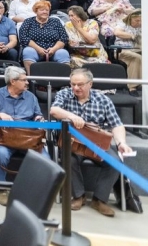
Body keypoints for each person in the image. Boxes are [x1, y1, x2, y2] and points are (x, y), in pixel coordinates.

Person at [50, 68, 133, 217]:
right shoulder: (64, 94)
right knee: (69, 159)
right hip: (74, 142)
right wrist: (71, 116)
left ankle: (99, 199)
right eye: (73, 84)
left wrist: (121, 143)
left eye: (80, 84)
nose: (76, 88)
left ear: (90, 84)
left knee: (114, 162)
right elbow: (54, 110)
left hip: (96, 143)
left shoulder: (103, 100)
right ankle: (78, 196)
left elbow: (117, 124)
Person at [0, 66, 48, 205]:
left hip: (27, 137)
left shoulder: (31, 97)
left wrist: (39, 119)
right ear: (13, 81)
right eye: (24, 80)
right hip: (4, 137)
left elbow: (38, 115)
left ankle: (39, 191)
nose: (27, 82)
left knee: (45, 158)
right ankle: (2, 189)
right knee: (1, 154)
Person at [18, 0, 70, 74]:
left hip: (54, 50)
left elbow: (64, 37)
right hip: (34, 49)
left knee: (63, 53)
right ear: (36, 11)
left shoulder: (55, 21)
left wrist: (53, 49)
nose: (45, 12)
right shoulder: (28, 22)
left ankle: (64, 79)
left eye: (47, 10)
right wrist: (38, 49)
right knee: (28, 51)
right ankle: (31, 78)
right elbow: (23, 37)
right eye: (42, 10)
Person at [113, 9, 142, 96]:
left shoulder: (142, 26)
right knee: (136, 58)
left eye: (141, 20)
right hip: (122, 50)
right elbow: (117, 32)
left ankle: (142, 83)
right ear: (130, 18)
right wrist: (132, 36)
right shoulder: (123, 24)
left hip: (137, 49)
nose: (139, 22)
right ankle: (132, 87)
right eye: (137, 20)